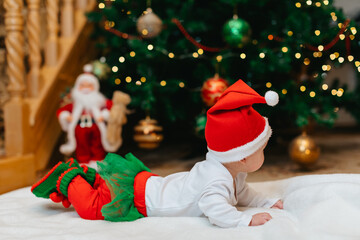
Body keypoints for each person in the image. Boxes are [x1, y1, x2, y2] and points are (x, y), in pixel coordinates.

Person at [32, 79, 283, 227]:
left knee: (107, 187)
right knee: (93, 208)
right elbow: (217, 211)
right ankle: (70, 177)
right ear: (241, 155)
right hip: (142, 198)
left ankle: (93, 178)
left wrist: (268, 203)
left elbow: (243, 194)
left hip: (148, 185)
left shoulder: (230, 170)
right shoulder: (215, 182)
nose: (264, 154)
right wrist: (245, 221)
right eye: (261, 149)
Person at [57, 65, 114, 166]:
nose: (85, 89)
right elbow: (62, 111)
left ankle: (98, 162)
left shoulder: (99, 101)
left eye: (89, 86)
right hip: (80, 127)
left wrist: (104, 114)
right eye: (82, 85)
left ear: (95, 87)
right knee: (82, 146)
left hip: (95, 126)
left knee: (97, 146)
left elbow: (110, 107)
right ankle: (84, 163)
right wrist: (66, 116)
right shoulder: (75, 104)